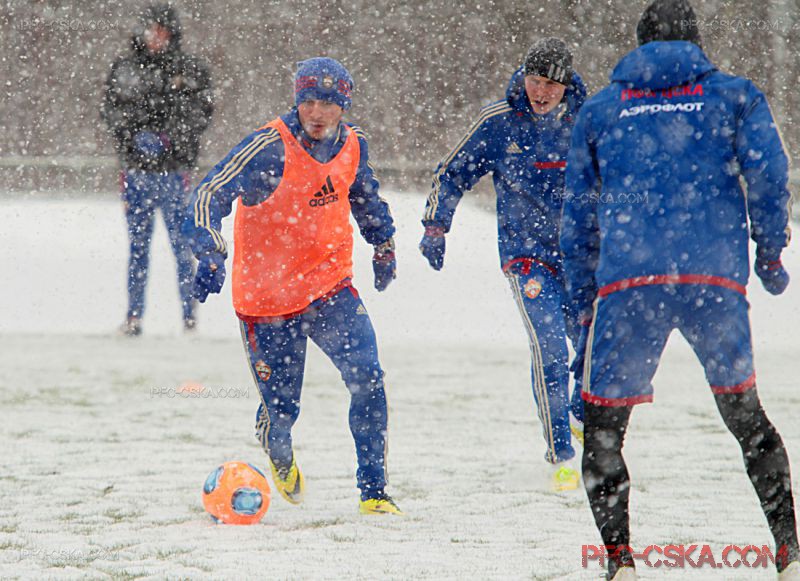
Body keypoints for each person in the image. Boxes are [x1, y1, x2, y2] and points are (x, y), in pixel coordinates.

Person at [560, 1, 799, 579]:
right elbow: (769, 174)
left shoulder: (601, 109)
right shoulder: (735, 96)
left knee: (604, 429)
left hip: (629, 283)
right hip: (711, 278)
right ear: (694, 40)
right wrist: (769, 251)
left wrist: (582, 300)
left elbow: (580, 212)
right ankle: (788, 550)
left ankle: (620, 562)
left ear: (640, 42)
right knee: (746, 416)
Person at [183, 57, 401, 515]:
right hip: (268, 301)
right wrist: (210, 250)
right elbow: (207, 194)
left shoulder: (353, 145)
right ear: (297, 101)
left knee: (368, 378)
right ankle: (277, 446)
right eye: (309, 102)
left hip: (329, 287)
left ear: (344, 106)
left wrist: (383, 243)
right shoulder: (267, 147)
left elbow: (364, 196)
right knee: (283, 412)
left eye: (328, 103)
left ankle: (374, 493)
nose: (317, 113)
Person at [420, 38, 587, 492]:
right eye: (534, 80)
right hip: (527, 257)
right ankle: (561, 455)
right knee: (549, 350)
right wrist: (436, 225)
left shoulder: (589, 121)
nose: (541, 92)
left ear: (566, 85)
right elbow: (451, 173)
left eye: (551, 84)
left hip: (583, 258)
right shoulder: (499, 122)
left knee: (594, 348)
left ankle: (579, 414)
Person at [101, 4, 213, 336]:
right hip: (136, 173)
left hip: (174, 173)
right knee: (138, 247)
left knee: (182, 244)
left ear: (172, 35)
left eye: (162, 31)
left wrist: (170, 140)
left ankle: (189, 317)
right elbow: (111, 111)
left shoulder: (190, 69)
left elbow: (200, 113)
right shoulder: (124, 69)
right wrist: (134, 137)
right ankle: (133, 316)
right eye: (151, 30)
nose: (156, 37)